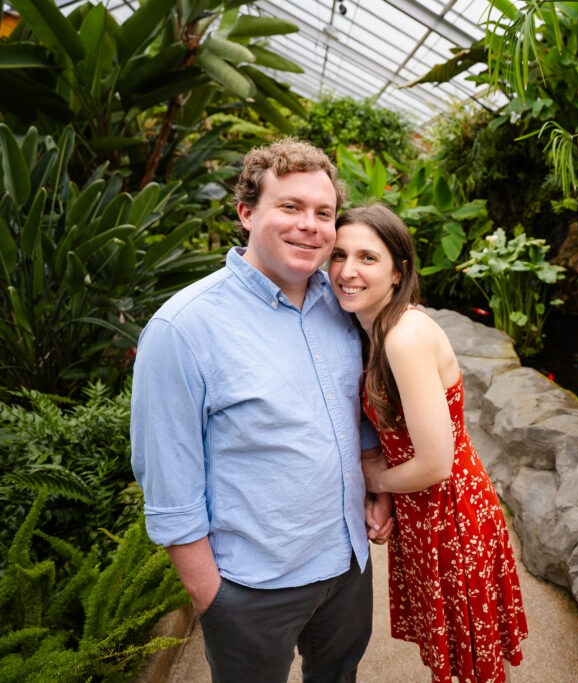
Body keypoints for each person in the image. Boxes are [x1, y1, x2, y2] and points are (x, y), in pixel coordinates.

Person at [130, 139, 394, 683]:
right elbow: (169, 485)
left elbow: (358, 412)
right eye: (290, 207)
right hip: (252, 588)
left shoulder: (342, 304)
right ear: (247, 213)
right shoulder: (183, 329)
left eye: (323, 213)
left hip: (347, 567)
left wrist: (377, 486)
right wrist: (213, 599)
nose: (310, 226)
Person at [329, 203, 528, 682]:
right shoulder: (371, 327)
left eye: (367, 258)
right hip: (423, 508)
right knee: (457, 651)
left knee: (470, 655)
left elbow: (436, 463)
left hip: (449, 511)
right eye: (338, 255)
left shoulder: (405, 337)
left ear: (399, 272)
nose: (347, 271)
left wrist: (374, 479)